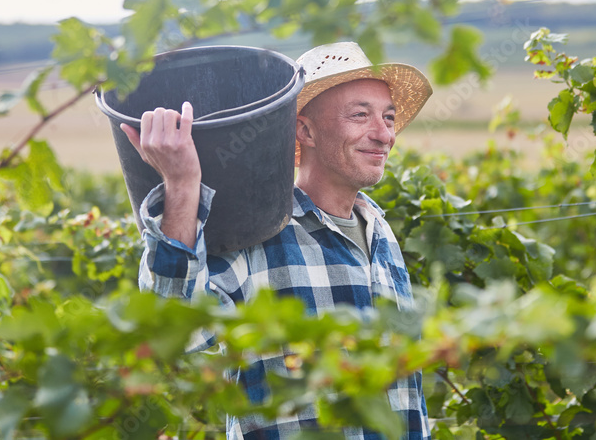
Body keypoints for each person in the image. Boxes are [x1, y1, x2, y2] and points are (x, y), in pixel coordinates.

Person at [121, 41, 434, 439]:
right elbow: (175, 329)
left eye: (388, 118)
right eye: (361, 115)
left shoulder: (380, 232)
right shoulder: (261, 226)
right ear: (305, 129)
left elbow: (407, 395)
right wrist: (182, 185)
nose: (384, 134)